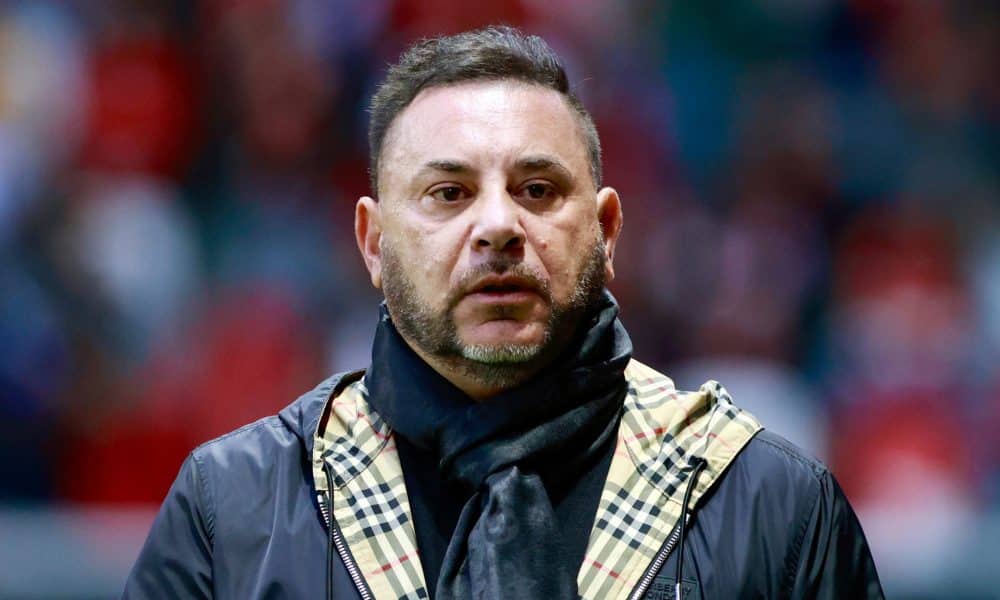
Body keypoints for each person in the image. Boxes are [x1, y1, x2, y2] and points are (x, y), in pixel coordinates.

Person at [123, 26, 883, 599]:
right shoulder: (232, 509)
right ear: (375, 244)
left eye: (538, 190)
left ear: (607, 231)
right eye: (449, 193)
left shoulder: (773, 508)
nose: (497, 225)